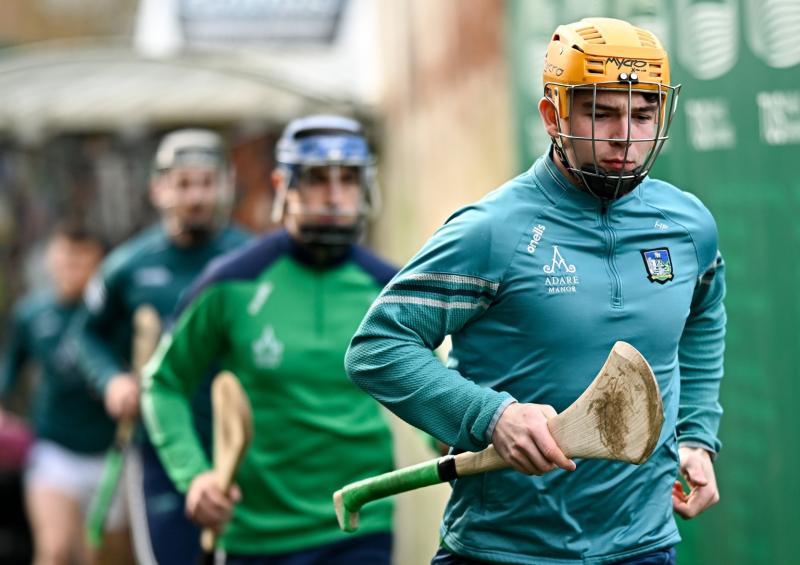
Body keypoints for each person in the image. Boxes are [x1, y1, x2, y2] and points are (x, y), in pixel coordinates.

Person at [345, 17, 725, 565]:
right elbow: (378, 347)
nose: (626, 136)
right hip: (502, 549)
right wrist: (490, 416)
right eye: (602, 112)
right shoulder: (491, 231)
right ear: (553, 115)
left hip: (644, 546)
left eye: (643, 114)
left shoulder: (688, 226)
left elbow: (704, 315)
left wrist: (694, 435)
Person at [141, 115, 396, 564]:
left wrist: (457, 434)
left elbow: (435, 388)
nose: (336, 196)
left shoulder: (391, 287)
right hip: (258, 538)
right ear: (284, 184)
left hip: (362, 523)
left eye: (349, 180)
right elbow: (164, 385)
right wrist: (194, 476)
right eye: (318, 179)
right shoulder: (230, 284)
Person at [74, 129, 250, 564]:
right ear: (159, 188)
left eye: (207, 183)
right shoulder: (128, 267)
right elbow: (85, 335)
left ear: (225, 186)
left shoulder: (252, 259)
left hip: (244, 449)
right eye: (183, 183)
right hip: (160, 452)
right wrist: (111, 381)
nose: (196, 197)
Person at [0, 223, 132, 565]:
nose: (70, 265)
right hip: (54, 449)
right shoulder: (32, 314)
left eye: (80, 258)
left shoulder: (115, 316)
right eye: (63, 256)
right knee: (55, 550)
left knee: (99, 557)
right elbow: (9, 371)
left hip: (112, 452)